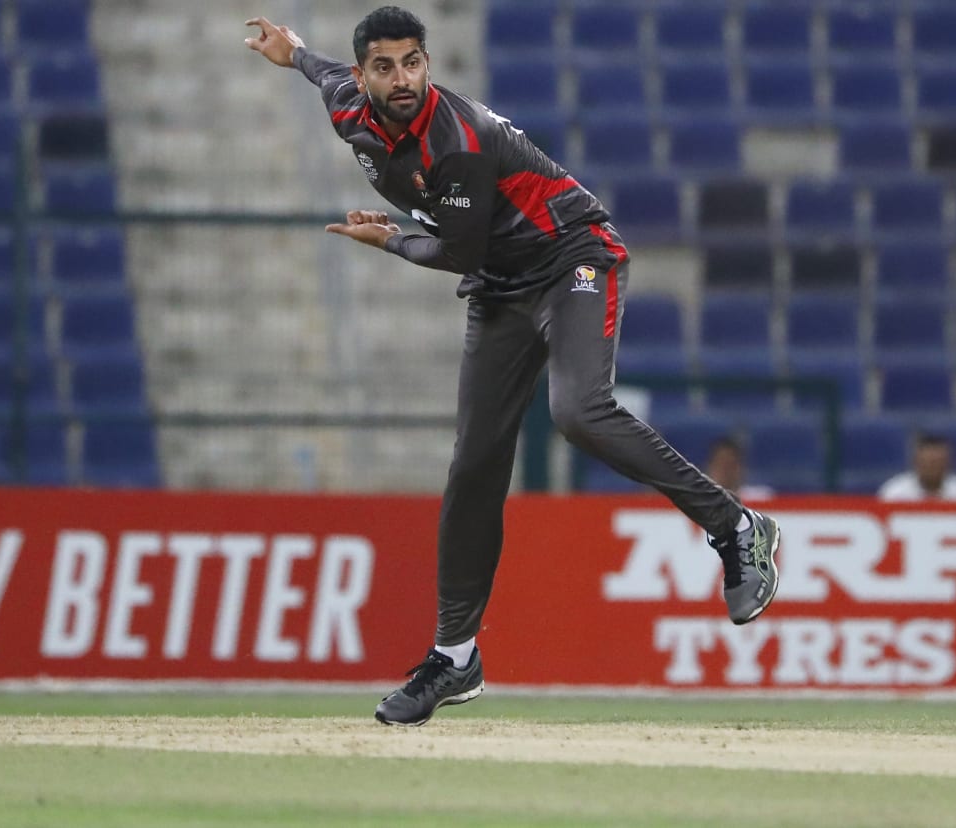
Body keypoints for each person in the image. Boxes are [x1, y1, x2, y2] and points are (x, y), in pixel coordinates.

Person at [244, 7, 781, 727]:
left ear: (428, 62)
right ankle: (456, 655)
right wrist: (296, 53)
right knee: (473, 465)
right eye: (384, 67)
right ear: (366, 75)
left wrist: (393, 242)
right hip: (502, 288)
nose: (401, 79)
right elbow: (325, 76)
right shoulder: (352, 106)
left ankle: (736, 526)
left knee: (577, 411)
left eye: (412, 62)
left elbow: (455, 253)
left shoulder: (456, 141)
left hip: (571, 258)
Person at [877, 432, 956, 503]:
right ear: (915, 462)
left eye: (938, 462)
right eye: (928, 462)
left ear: (950, 463)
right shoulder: (894, 494)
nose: (933, 468)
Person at [705, 436, 774, 502]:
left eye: (731, 465)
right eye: (721, 464)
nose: (726, 471)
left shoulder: (762, 498)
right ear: (710, 467)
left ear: (742, 467)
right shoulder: (700, 500)